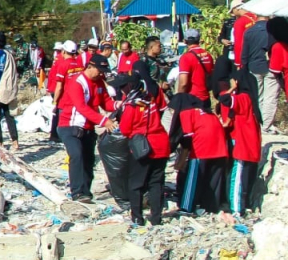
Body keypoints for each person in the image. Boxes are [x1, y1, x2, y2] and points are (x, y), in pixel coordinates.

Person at [58, 53, 116, 203]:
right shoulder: (77, 82)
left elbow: (106, 102)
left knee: (89, 160)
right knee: (76, 155)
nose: (101, 74)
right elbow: (82, 107)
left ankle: (86, 192)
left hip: (88, 128)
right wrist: (104, 121)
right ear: (90, 67)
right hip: (70, 126)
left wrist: (118, 105)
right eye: (99, 70)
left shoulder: (99, 82)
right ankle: (77, 192)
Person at [118, 61, 170, 226]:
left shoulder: (132, 105)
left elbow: (125, 129)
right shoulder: (152, 99)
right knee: (156, 183)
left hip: (143, 147)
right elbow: (163, 109)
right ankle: (156, 218)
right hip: (161, 143)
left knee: (136, 184)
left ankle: (137, 217)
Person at [172, 93, 228, 214]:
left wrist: (182, 160)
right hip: (220, 146)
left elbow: (187, 138)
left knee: (193, 177)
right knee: (214, 178)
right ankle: (211, 207)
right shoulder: (207, 112)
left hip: (201, 148)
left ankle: (187, 206)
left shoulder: (186, 112)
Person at [218, 71, 262, 215]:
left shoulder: (243, 98)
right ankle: (243, 205)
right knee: (246, 176)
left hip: (242, 142)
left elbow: (224, 99)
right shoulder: (252, 100)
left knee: (237, 177)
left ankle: (236, 208)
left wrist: (232, 88)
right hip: (251, 142)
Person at [241, 15, 276, 128]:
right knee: (270, 97)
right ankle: (267, 124)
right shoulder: (273, 31)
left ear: (256, 17)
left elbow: (244, 52)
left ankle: (259, 122)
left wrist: (244, 68)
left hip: (254, 66)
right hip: (271, 66)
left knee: (257, 96)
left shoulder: (249, 31)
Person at [176, 28, 214, 106]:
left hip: (192, 99)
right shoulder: (208, 55)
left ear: (185, 41)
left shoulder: (186, 57)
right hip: (206, 98)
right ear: (199, 40)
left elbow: (183, 83)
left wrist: (179, 99)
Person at [231, 0, 254, 69]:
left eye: (232, 10)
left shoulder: (239, 22)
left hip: (247, 58)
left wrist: (238, 62)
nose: (232, 13)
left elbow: (239, 43)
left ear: (236, 9)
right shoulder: (257, 16)